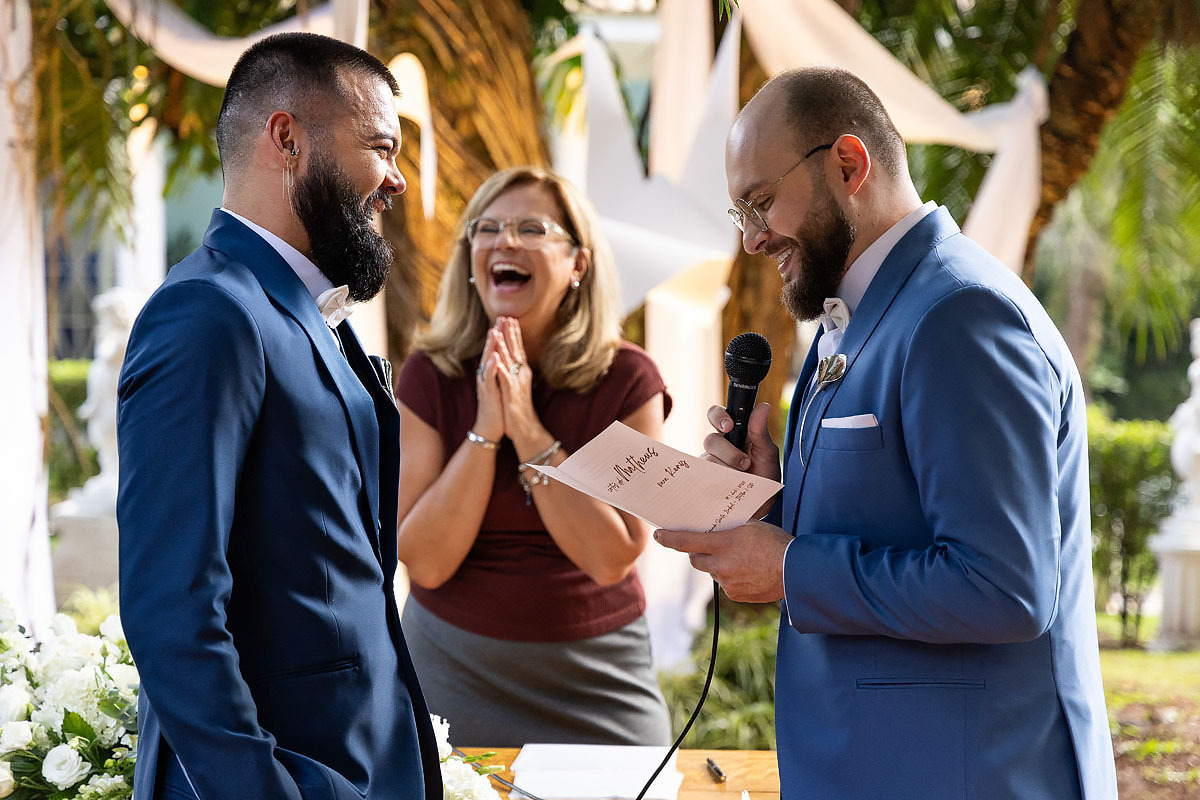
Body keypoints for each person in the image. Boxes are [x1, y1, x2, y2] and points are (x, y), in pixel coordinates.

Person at [655, 67, 1117, 798]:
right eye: (739, 213)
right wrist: (770, 500)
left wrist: (787, 568)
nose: (750, 239)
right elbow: (884, 521)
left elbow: (1005, 587)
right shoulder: (858, 316)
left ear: (848, 164)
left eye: (761, 203)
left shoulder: (961, 316)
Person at [117, 33, 441, 799]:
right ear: (288, 139)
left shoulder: (302, 309)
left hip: (358, 768)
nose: (395, 179)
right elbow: (173, 611)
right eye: (380, 147)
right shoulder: (207, 313)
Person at [394, 166, 672, 747]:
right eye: (487, 227)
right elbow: (424, 562)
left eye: (531, 227)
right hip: (450, 665)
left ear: (579, 264)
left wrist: (525, 426)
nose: (505, 241)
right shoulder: (428, 374)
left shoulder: (629, 379)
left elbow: (611, 556)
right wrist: (485, 430)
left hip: (598, 678)